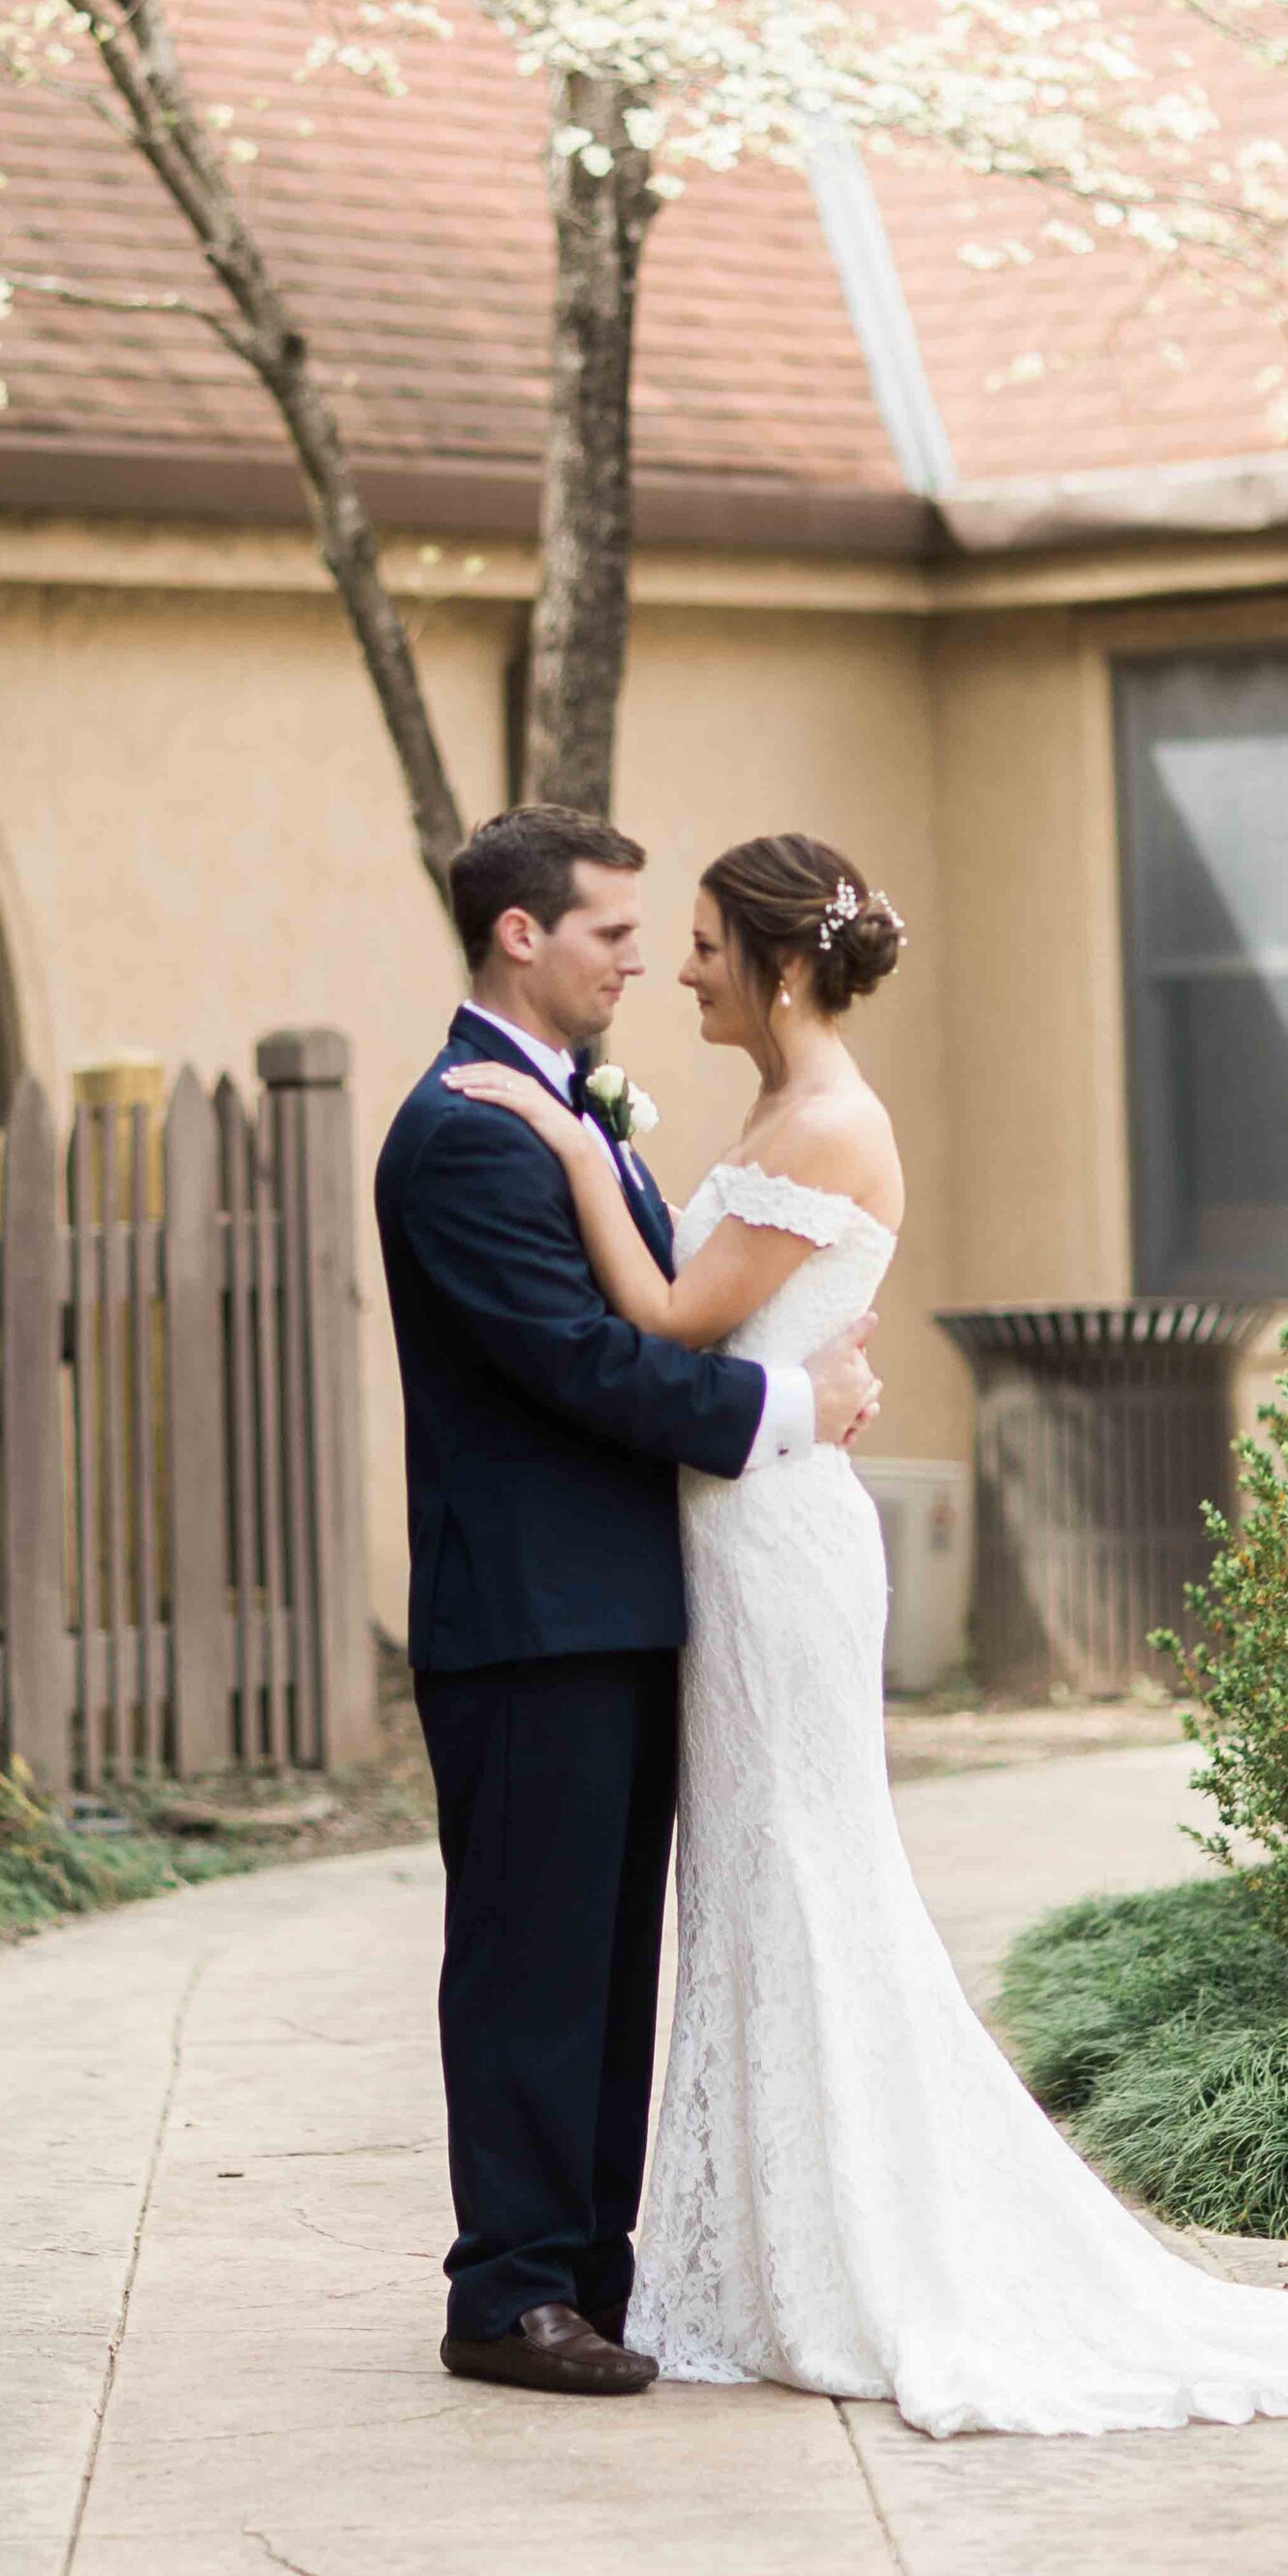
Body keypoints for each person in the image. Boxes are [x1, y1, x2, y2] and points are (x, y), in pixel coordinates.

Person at [445, 829, 1288, 2438]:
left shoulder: (826, 1122)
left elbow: (671, 1321)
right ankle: (765, 2253)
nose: (676, 969)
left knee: (810, 1879)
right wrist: (794, 1375)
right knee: (750, 1891)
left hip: (777, 1548)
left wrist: (557, 1135)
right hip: (734, 1529)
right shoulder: (771, 1110)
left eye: (698, 944)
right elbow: (709, 1321)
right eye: (650, 937)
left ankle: (870, 2255)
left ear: (779, 959)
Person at [373, 805, 882, 2400]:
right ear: (520, 933)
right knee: (528, 1961)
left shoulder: (557, 1106)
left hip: (625, 1602)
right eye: (610, 930)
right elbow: (590, 1365)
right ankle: (507, 2288)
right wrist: (792, 1406)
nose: (641, 959)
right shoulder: (464, 1129)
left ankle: (588, 2277)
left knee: (599, 1968)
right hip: (525, 1614)